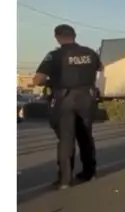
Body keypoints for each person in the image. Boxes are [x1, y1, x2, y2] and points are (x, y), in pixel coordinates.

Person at [33, 24, 102, 190]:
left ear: (57, 37)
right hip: (86, 97)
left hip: (65, 99)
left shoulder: (55, 55)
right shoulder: (90, 52)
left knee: (66, 139)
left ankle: (65, 180)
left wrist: (52, 81)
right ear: (75, 35)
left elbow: (38, 80)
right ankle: (89, 173)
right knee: (86, 136)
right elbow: (101, 69)